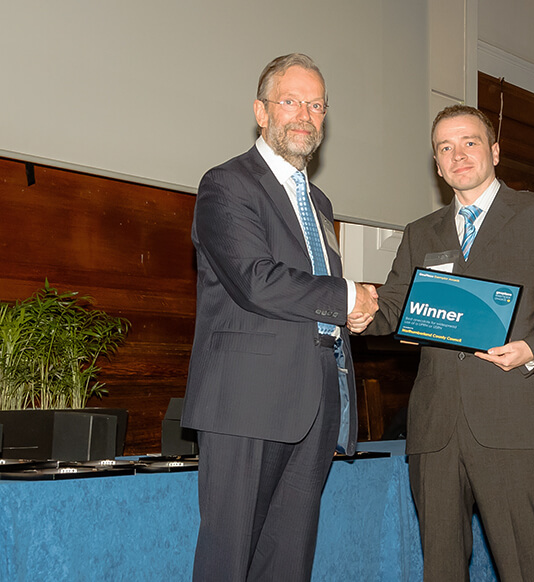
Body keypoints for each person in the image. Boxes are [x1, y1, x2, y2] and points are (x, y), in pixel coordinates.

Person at [362, 105, 534, 580]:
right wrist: (351, 306)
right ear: (437, 164)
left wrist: (530, 350)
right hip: (435, 427)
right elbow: (392, 312)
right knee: (441, 568)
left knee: (528, 566)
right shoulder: (420, 232)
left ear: (495, 151)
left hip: (513, 419)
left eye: (469, 142)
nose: (458, 154)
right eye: (445, 147)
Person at [182, 53, 379, 582]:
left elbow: (313, 295)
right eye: (290, 101)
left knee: (289, 564)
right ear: (261, 111)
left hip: (314, 402)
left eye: (316, 105)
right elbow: (255, 279)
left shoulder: (318, 200)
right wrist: (345, 297)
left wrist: (350, 315)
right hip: (246, 403)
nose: (305, 115)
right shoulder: (226, 184)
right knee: (230, 560)